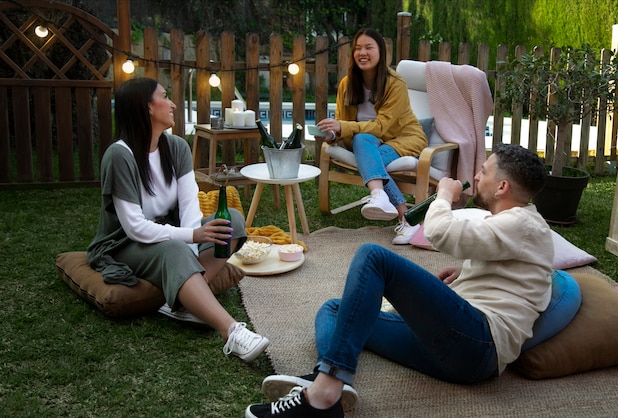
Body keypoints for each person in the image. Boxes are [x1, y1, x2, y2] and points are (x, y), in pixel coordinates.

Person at [245, 143, 553, 417]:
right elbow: (527, 276)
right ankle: (329, 384)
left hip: (477, 343)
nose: (475, 177)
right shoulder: (518, 228)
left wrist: (443, 195)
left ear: (501, 187)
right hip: (454, 353)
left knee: (374, 258)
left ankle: (323, 392)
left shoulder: (523, 224)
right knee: (335, 310)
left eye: (483, 172)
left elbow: (441, 233)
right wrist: (469, 273)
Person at [87, 77, 269, 363]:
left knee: (231, 220)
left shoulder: (176, 147)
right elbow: (134, 227)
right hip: (126, 243)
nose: (172, 104)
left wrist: (193, 243)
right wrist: (191, 238)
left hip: (169, 235)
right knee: (174, 248)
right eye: (164, 97)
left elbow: (189, 207)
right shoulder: (119, 156)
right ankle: (232, 332)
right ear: (146, 107)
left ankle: (184, 302)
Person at [314, 28, 428, 245]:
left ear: (381, 52)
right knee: (362, 141)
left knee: (367, 152)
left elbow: (382, 126)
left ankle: (383, 200)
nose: (362, 53)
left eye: (368, 47)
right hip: (367, 142)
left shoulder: (396, 83)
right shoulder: (347, 84)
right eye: (357, 48)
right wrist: (331, 134)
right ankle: (403, 215)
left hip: (403, 137)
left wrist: (343, 126)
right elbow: (344, 125)